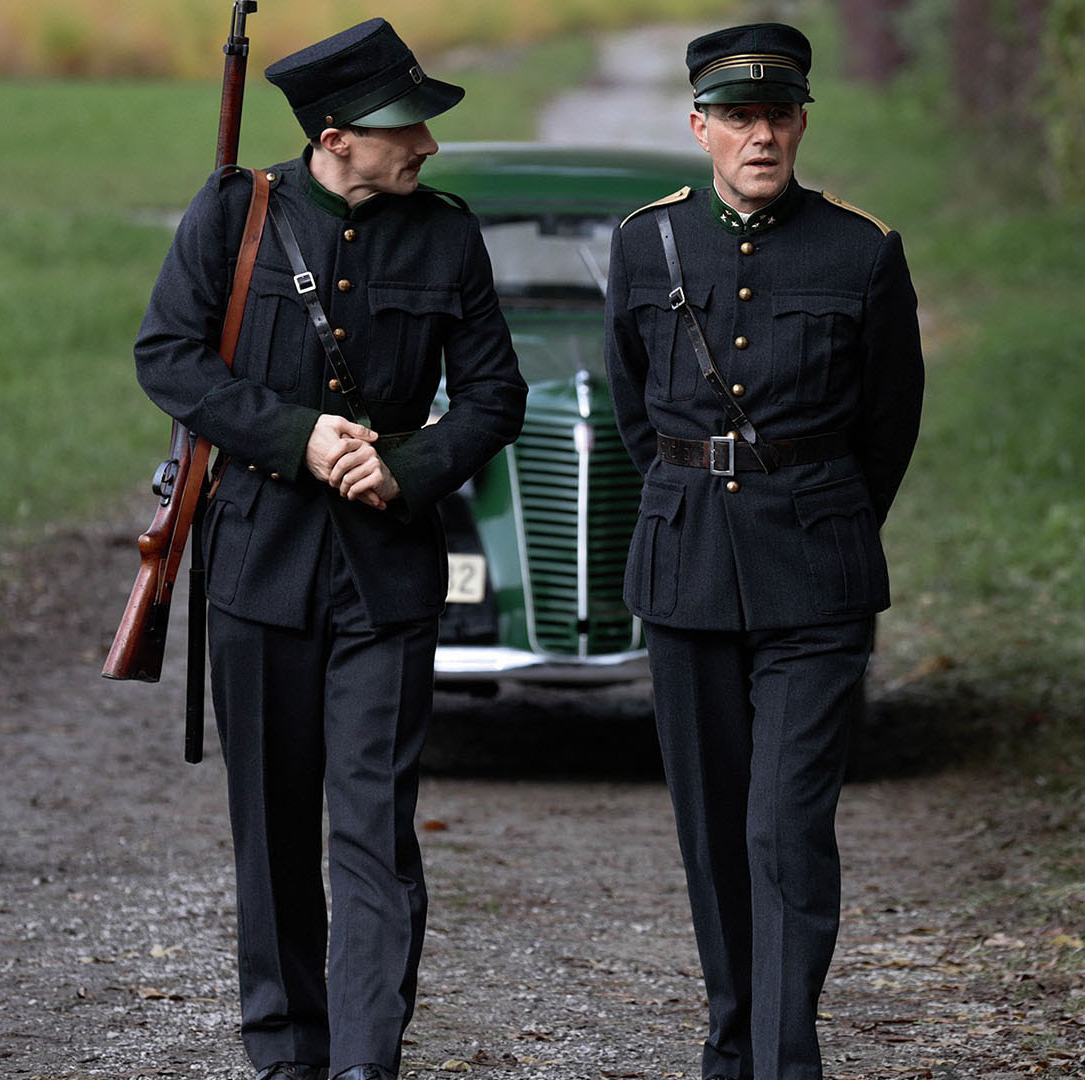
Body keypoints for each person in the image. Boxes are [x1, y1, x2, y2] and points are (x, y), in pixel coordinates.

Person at [133, 19, 526, 1080]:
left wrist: (410, 465)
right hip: (257, 563)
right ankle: (287, 1055)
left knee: (373, 833)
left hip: (386, 572)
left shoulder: (447, 235)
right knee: (270, 835)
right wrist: (295, 435)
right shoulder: (234, 216)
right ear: (337, 135)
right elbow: (167, 358)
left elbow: (495, 399)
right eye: (407, 129)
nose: (427, 147)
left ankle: (363, 1061)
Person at [602, 21, 924, 1080]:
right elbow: (635, 412)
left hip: (816, 571)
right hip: (688, 560)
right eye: (738, 116)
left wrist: (817, 507)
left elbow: (889, 423)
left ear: (800, 121)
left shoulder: (862, 250)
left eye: (778, 113)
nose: (761, 134)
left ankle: (786, 1062)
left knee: (787, 830)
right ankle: (730, 1044)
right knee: (711, 832)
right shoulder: (647, 244)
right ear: (700, 126)